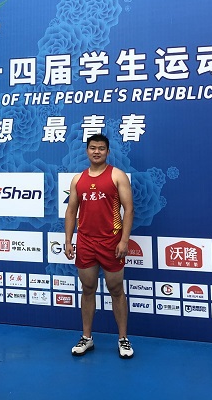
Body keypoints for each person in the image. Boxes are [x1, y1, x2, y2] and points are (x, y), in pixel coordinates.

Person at [64, 133, 135, 359]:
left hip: (111, 242)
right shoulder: (78, 179)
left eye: (101, 148)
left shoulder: (117, 175)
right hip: (86, 242)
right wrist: (68, 240)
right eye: (93, 148)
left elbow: (129, 209)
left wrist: (124, 240)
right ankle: (87, 337)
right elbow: (71, 211)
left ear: (107, 151)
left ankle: (123, 339)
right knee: (87, 289)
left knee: (116, 289)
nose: (97, 152)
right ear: (87, 151)